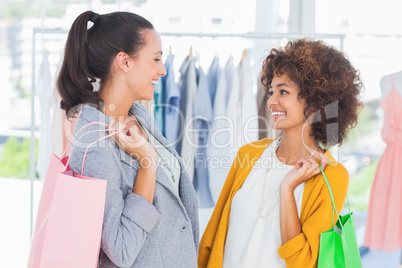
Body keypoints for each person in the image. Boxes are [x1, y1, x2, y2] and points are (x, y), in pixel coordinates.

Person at [198, 39, 363, 268]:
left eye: (283, 92)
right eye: (270, 91)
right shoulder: (249, 154)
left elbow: (303, 262)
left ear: (316, 102)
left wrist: (287, 189)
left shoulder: (331, 176)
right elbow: (213, 236)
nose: (271, 102)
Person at [56, 11, 199, 267]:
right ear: (124, 61)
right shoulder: (95, 143)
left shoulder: (139, 116)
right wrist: (147, 163)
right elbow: (121, 250)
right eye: (156, 59)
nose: (163, 70)